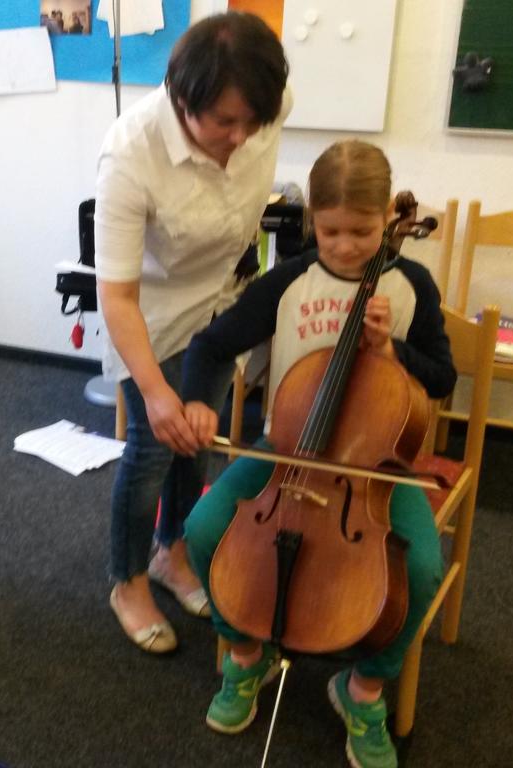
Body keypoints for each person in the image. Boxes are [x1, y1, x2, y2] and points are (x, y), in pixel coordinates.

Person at [181, 140, 457, 768]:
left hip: (373, 466)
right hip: (286, 450)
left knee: (418, 571)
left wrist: (392, 353)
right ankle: (245, 655)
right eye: (330, 231)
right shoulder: (290, 281)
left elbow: (443, 377)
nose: (346, 246)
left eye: (362, 232)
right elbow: (210, 345)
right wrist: (197, 402)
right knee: (203, 530)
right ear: (313, 221)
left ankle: (362, 690)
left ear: (387, 218)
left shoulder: (411, 285)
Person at [94, 12, 291, 654]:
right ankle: (127, 580)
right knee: (154, 445)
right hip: (150, 315)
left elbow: (257, 117)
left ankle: (171, 551)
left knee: (197, 438)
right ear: (183, 99)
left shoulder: (265, 104)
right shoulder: (130, 153)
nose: (241, 137)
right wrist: (155, 393)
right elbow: (117, 296)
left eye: (252, 124)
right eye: (224, 122)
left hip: (220, 306)